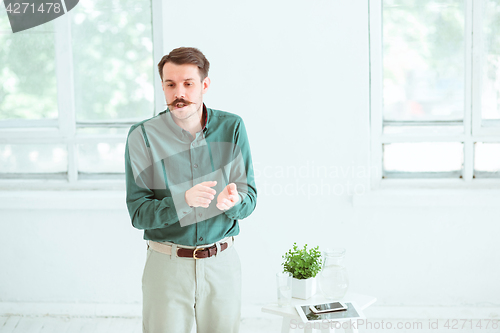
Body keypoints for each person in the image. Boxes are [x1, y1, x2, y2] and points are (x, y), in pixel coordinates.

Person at [124, 47, 257, 333]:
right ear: (162, 86)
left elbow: (250, 200)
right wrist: (182, 201)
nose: (178, 92)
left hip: (222, 265)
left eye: (188, 83)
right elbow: (138, 214)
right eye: (170, 84)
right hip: (167, 266)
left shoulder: (232, 127)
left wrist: (232, 202)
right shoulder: (142, 136)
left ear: (204, 85)